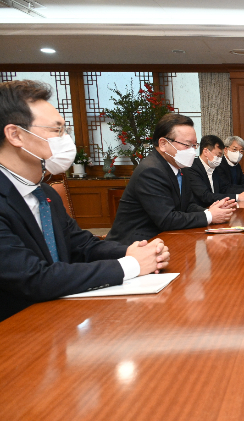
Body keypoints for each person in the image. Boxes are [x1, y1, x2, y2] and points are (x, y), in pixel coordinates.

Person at [0, 80, 170, 321]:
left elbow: (82, 246)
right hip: (17, 330)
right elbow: (34, 278)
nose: (66, 139)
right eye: (57, 130)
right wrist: (130, 265)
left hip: (59, 317)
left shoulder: (44, 193)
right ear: (15, 134)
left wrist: (131, 251)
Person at [106, 114, 236, 245]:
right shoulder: (150, 171)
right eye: (187, 145)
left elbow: (187, 205)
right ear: (163, 144)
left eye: (194, 145)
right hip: (134, 246)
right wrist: (209, 216)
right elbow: (167, 219)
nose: (192, 151)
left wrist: (212, 211)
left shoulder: (181, 167)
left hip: (164, 240)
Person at [182, 135, 244, 208]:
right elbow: (205, 196)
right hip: (201, 211)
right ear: (206, 151)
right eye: (217, 155)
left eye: (220, 156)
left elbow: (224, 189)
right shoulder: (191, 168)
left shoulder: (214, 167)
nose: (219, 159)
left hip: (218, 208)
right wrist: (238, 197)